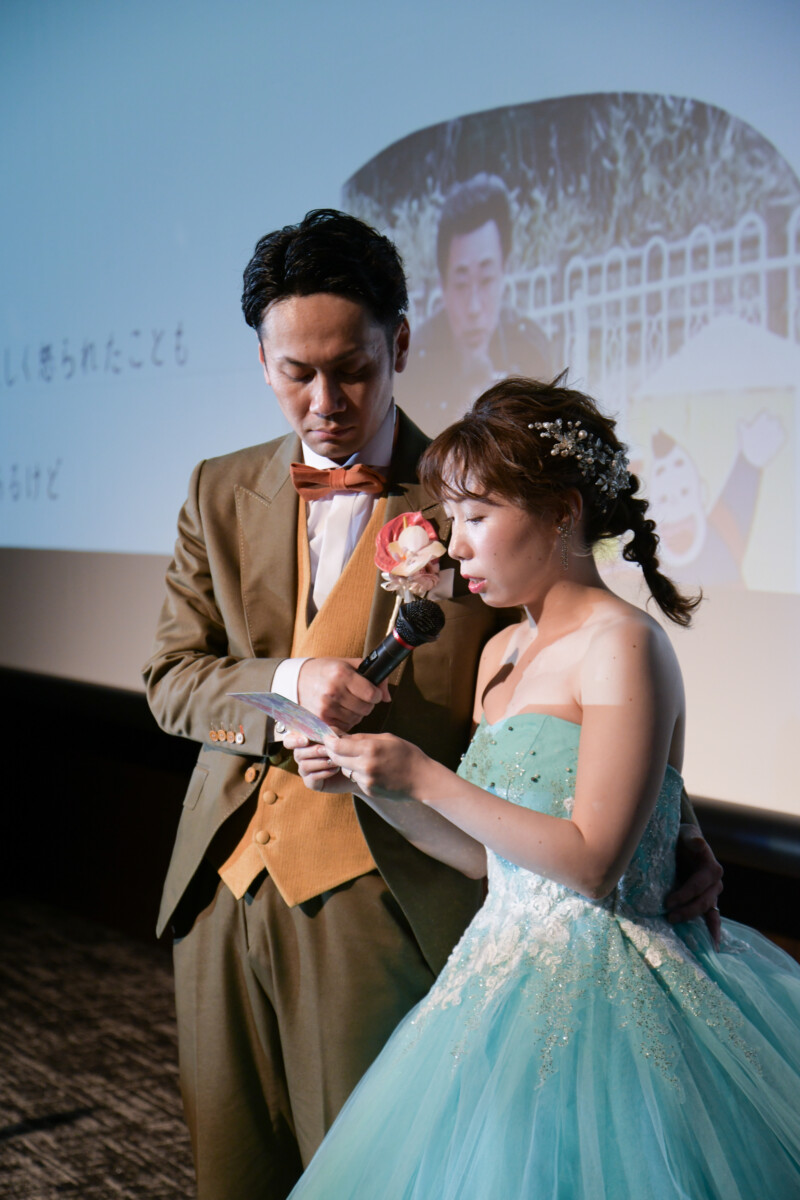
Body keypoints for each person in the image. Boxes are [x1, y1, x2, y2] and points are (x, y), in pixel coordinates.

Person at [143, 212, 721, 1200]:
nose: (324, 402)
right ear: (261, 362)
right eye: (295, 373)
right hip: (221, 884)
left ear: (401, 343)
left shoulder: (479, 492)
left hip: (390, 899)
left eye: (351, 369)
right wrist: (291, 681)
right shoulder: (217, 488)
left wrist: (678, 831)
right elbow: (169, 676)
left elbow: (582, 690)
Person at [286, 376, 800, 1199]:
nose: (454, 547)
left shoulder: (623, 645)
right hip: (494, 981)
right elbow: (486, 859)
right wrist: (370, 783)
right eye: (452, 520)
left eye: (476, 517)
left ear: (562, 512)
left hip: (615, 994)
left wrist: (424, 773)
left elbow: (594, 863)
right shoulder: (500, 654)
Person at [397, 173, 553, 428]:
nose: (474, 308)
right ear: (442, 284)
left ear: (504, 271)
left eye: (486, 280)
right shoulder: (412, 362)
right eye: (461, 284)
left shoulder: (532, 345)